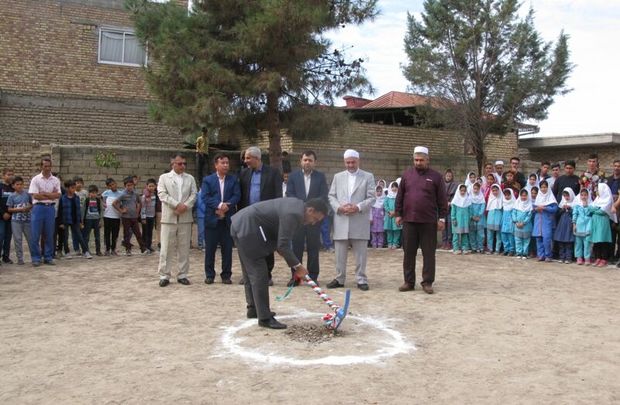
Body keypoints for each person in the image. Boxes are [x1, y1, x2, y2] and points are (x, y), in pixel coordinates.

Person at [230, 197, 328, 329]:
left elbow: (281, 243)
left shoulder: (296, 207)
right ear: (310, 210)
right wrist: (298, 267)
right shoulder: (294, 214)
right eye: (315, 219)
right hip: (248, 228)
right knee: (259, 274)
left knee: (249, 273)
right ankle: (264, 318)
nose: (312, 223)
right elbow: (283, 245)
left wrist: (292, 260)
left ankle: (254, 309)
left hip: (243, 224)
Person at [395, 146, 447, 294]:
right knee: (408, 253)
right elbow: (400, 196)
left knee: (429, 253)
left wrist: (442, 218)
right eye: (416, 160)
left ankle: (427, 282)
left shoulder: (436, 177)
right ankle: (408, 281)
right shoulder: (406, 175)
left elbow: (442, 200)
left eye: (421, 160)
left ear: (427, 160)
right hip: (409, 221)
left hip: (429, 222)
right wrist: (398, 214)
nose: (418, 163)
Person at [326, 149, 375, 291]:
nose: (350, 165)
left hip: (359, 219)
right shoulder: (338, 176)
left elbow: (372, 197)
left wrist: (358, 207)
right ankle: (339, 278)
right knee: (340, 253)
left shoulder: (368, 176)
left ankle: (361, 279)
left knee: (360, 254)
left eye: (353, 162)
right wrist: (339, 208)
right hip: (341, 218)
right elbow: (331, 196)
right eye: (348, 162)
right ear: (344, 162)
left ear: (358, 161)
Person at [238, 146, 283, 285]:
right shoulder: (244, 173)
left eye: (247, 158)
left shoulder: (273, 173)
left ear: (257, 158)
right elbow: (241, 196)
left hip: (266, 216)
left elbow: (278, 196)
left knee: (266, 247)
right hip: (248, 217)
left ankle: (267, 275)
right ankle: (248, 275)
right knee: (248, 247)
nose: (245, 161)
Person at [285, 150, 329, 285]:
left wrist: (310, 209)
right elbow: (290, 194)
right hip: (298, 219)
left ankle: (313, 277)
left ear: (314, 162)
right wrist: (302, 208)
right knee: (296, 248)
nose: (307, 162)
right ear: (301, 161)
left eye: (310, 160)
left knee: (313, 248)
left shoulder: (320, 177)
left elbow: (323, 196)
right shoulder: (293, 177)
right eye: (305, 160)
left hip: (314, 220)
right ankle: (295, 277)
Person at [157, 154, 198, 287]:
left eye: (184, 163)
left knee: (184, 247)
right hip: (169, 216)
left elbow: (194, 194)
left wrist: (185, 206)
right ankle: (164, 275)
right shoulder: (164, 178)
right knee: (166, 247)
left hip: (185, 216)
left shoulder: (190, 178)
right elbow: (162, 194)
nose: (183, 166)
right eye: (180, 164)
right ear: (173, 164)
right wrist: (176, 204)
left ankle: (182, 274)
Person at [202, 153, 241, 285]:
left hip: (227, 220)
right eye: (222, 163)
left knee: (227, 249)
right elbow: (205, 197)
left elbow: (237, 195)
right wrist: (219, 205)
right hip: (212, 219)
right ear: (216, 165)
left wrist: (226, 206)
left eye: (227, 163)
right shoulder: (208, 180)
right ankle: (209, 274)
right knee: (210, 249)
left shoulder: (233, 179)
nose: (225, 165)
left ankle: (226, 275)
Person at [28, 158, 61, 266]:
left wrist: (45, 194)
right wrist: (50, 195)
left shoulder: (55, 180)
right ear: (41, 166)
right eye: (45, 166)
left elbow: (58, 195)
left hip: (50, 208)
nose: (47, 168)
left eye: (49, 166)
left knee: (49, 234)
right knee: (35, 234)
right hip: (38, 208)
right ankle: (36, 258)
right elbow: (35, 195)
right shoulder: (36, 179)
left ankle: (48, 256)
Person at [58, 179, 92, 259]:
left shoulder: (76, 198)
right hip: (66, 220)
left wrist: (80, 221)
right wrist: (61, 222)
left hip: (75, 220)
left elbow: (78, 210)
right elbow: (60, 211)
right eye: (72, 188)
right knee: (65, 237)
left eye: (74, 187)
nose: (73, 189)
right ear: (67, 188)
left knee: (79, 236)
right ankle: (67, 252)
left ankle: (85, 251)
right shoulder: (62, 198)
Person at [113, 177, 145, 256]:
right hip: (126, 217)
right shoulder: (123, 194)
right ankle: (128, 249)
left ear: (133, 185)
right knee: (126, 234)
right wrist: (121, 210)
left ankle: (143, 249)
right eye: (128, 185)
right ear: (125, 186)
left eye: (131, 185)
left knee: (138, 233)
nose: (129, 187)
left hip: (134, 217)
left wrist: (137, 212)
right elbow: (114, 203)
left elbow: (140, 203)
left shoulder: (136, 194)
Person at [6, 176, 33, 265]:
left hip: (27, 220)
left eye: (21, 184)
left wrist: (28, 207)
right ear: (13, 186)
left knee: (30, 239)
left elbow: (32, 204)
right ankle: (20, 259)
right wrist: (20, 209)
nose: (20, 186)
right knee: (18, 240)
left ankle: (34, 257)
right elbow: (9, 209)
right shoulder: (11, 196)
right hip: (16, 221)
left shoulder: (27, 194)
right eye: (17, 184)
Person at [588, 183, 614, 267]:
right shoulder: (598, 199)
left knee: (602, 240)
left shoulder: (608, 199)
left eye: (598, 189)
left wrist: (595, 210)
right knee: (596, 240)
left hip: (603, 222)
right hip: (595, 221)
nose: (597, 191)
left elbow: (603, 211)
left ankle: (604, 258)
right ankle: (597, 257)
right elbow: (589, 208)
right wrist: (597, 209)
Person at [533, 180, 558, 262]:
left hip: (547, 221)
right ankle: (541, 255)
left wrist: (545, 208)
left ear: (548, 187)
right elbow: (532, 209)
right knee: (538, 238)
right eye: (542, 187)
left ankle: (548, 255)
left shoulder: (551, 198)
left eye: (545, 187)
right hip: (538, 220)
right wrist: (536, 209)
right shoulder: (538, 197)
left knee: (547, 239)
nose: (543, 189)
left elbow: (555, 209)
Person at [553, 188, 576, 264]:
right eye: (564, 195)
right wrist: (562, 209)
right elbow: (557, 214)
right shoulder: (561, 204)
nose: (566, 197)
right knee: (561, 242)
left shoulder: (574, 204)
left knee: (568, 242)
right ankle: (562, 257)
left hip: (569, 225)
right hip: (562, 225)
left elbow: (574, 214)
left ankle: (568, 257)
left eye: (568, 195)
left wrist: (569, 209)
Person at [102, 178, 123, 256]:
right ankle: (107, 249)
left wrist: (121, 209)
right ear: (108, 187)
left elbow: (122, 203)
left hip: (116, 217)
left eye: (113, 184)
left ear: (116, 184)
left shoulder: (120, 193)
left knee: (115, 233)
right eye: (110, 185)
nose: (112, 186)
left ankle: (113, 249)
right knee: (107, 233)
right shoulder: (106, 193)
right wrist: (103, 204)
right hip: (107, 216)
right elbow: (101, 199)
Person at [572, 189, 592, 265]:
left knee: (587, 243)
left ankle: (587, 258)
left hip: (588, 225)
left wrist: (587, 206)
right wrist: (574, 224)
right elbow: (575, 214)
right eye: (582, 195)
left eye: (585, 195)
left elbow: (591, 213)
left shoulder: (591, 205)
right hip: (579, 224)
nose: (583, 197)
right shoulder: (577, 205)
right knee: (578, 243)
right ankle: (579, 257)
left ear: (588, 195)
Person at [82, 185, 103, 256]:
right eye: (92, 193)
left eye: (95, 193)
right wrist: (82, 220)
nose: (93, 194)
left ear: (97, 193)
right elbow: (83, 210)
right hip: (88, 220)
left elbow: (101, 210)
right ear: (89, 193)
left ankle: (98, 251)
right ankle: (86, 250)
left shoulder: (98, 200)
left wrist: (100, 220)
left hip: (96, 220)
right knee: (86, 236)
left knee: (97, 236)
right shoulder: (87, 200)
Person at [450, 184, 471, 255]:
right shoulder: (455, 200)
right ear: (458, 191)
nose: (463, 192)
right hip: (457, 221)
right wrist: (453, 219)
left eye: (464, 191)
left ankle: (465, 248)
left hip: (465, 220)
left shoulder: (468, 200)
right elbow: (453, 211)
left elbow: (470, 211)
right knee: (456, 234)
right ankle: (455, 248)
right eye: (461, 190)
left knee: (464, 234)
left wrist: (469, 219)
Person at [512, 189, 533, 259]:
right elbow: (513, 213)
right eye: (522, 195)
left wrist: (523, 223)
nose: (523, 197)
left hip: (526, 226)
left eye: (525, 195)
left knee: (526, 240)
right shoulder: (517, 203)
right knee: (517, 240)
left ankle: (525, 253)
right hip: (517, 225)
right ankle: (518, 253)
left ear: (527, 196)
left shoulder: (530, 205)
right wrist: (516, 222)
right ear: (520, 196)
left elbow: (529, 216)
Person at [0, 168, 15, 264]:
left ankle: (6, 256)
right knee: (1, 235)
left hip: (10, 216)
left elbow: (15, 202)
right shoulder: (0, 187)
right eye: (8, 174)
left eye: (11, 174)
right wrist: (3, 213)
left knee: (8, 237)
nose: (10, 176)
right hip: (1, 216)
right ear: (3, 175)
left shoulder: (13, 188)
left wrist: (9, 213)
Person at [607, 159, 620, 262]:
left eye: (618, 166)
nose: (616, 168)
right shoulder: (609, 180)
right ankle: (610, 256)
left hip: (618, 211)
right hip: (610, 211)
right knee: (611, 234)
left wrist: (615, 206)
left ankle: (618, 256)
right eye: (615, 166)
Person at [441, 169, 458, 250]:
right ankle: (444, 242)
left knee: (450, 225)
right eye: (447, 176)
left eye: (450, 176)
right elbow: (439, 195)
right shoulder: (441, 185)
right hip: (443, 208)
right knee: (443, 225)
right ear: (445, 176)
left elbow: (455, 196)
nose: (448, 177)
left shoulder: (455, 185)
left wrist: (450, 202)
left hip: (451, 208)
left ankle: (449, 242)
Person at [141, 179, 158, 254]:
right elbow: (143, 207)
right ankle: (144, 246)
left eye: (153, 186)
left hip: (152, 216)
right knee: (145, 232)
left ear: (155, 186)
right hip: (146, 217)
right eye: (149, 186)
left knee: (150, 232)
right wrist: (143, 217)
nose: (151, 187)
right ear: (146, 186)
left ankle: (149, 246)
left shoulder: (155, 195)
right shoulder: (145, 196)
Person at [384, 181, 402, 249]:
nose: (394, 188)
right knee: (389, 230)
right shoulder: (387, 197)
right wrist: (389, 211)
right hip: (389, 216)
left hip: (396, 215)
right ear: (390, 188)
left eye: (396, 187)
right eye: (393, 187)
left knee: (396, 230)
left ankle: (395, 243)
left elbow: (400, 205)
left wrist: (395, 212)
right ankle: (389, 243)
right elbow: (385, 205)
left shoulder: (399, 196)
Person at [485, 184, 503, 255]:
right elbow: (488, 209)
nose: (495, 192)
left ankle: (497, 249)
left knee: (498, 235)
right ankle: (490, 249)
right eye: (493, 190)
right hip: (491, 217)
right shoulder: (490, 198)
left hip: (498, 218)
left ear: (499, 190)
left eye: (496, 190)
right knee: (490, 234)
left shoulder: (502, 198)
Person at [469, 182, 486, 253]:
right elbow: (469, 208)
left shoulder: (482, 198)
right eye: (474, 188)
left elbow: (482, 207)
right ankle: (473, 247)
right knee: (472, 233)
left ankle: (481, 247)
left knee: (480, 234)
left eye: (477, 189)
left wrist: (479, 215)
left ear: (479, 189)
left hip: (480, 218)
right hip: (472, 218)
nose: (475, 190)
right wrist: (472, 216)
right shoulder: (469, 198)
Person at [500, 188, 516, 256]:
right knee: (504, 236)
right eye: (505, 195)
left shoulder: (514, 204)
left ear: (511, 195)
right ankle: (506, 249)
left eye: (508, 195)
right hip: (504, 222)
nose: (507, 196)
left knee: (510, 237)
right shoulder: (503, 203)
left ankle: (511, 250)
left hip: (511, 223)